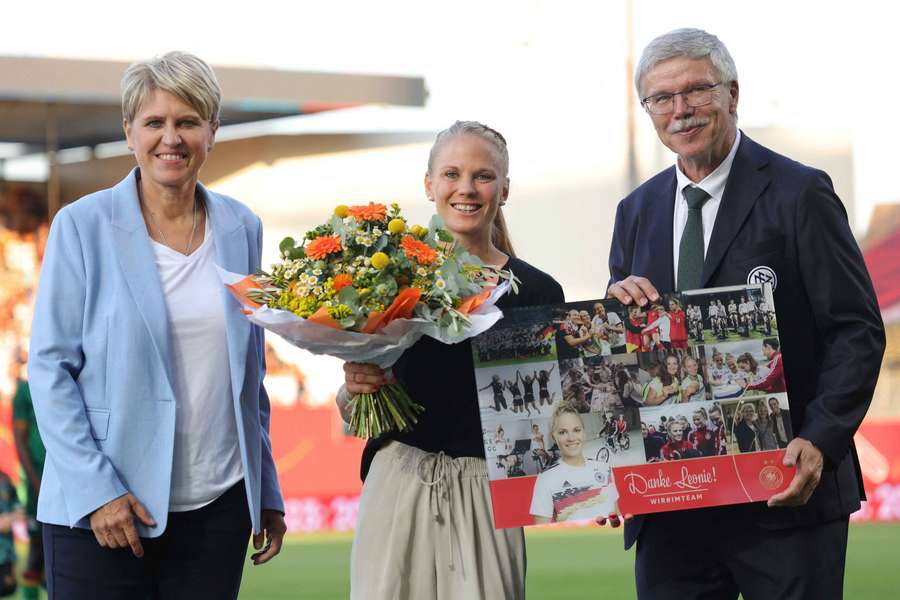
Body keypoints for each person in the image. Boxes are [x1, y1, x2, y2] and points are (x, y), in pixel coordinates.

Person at [605, 28, 885, 599]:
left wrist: (822, 437)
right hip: (672, 505)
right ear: (648, 111)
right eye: (661, 98)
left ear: (732, 94)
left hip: (784, 494)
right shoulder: (635, 211)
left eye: (696, 90)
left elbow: (855, 330)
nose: (680, 110)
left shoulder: (800, 192)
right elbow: (623, 351)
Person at [28, 52, 285, 599]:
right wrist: (97, 491)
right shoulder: (81, 225)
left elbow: (249, 375)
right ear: (129, 132)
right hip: (102, 510)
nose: (172, 138)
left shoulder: (243, 227)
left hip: (217, 511)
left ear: (212, 132)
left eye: (188, 121)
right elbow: (50, 371)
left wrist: (266, 491)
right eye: (155, 122)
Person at [337, 121, 564, 600]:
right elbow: (356, 403)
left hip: (488, 495)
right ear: (429, 184)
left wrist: (592, 478)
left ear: (504, 191)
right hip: (397, 483)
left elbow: (553, 417)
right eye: (452, 173)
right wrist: (355, 384)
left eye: (483, 176)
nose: (466, 188)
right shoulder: (393, 274)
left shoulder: (539, 292)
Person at [529, 402, 618, 523]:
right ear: (553, 437)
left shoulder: (605, 468)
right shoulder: (545, 479)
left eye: (576, 430)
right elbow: (540, 535)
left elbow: (617, 518)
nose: (571, 438)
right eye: (562, 432)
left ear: (583, 432)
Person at [11, 369, 44, 599]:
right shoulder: (25, 390)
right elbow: (20, 440)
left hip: (70, 480)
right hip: (38, 482)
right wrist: (36, 482)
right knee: (36, 548)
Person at [0, 471, 22, 597]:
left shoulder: (5, 480)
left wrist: (11, 517)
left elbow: (19, 511)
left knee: (8, 588)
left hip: (6, 552)